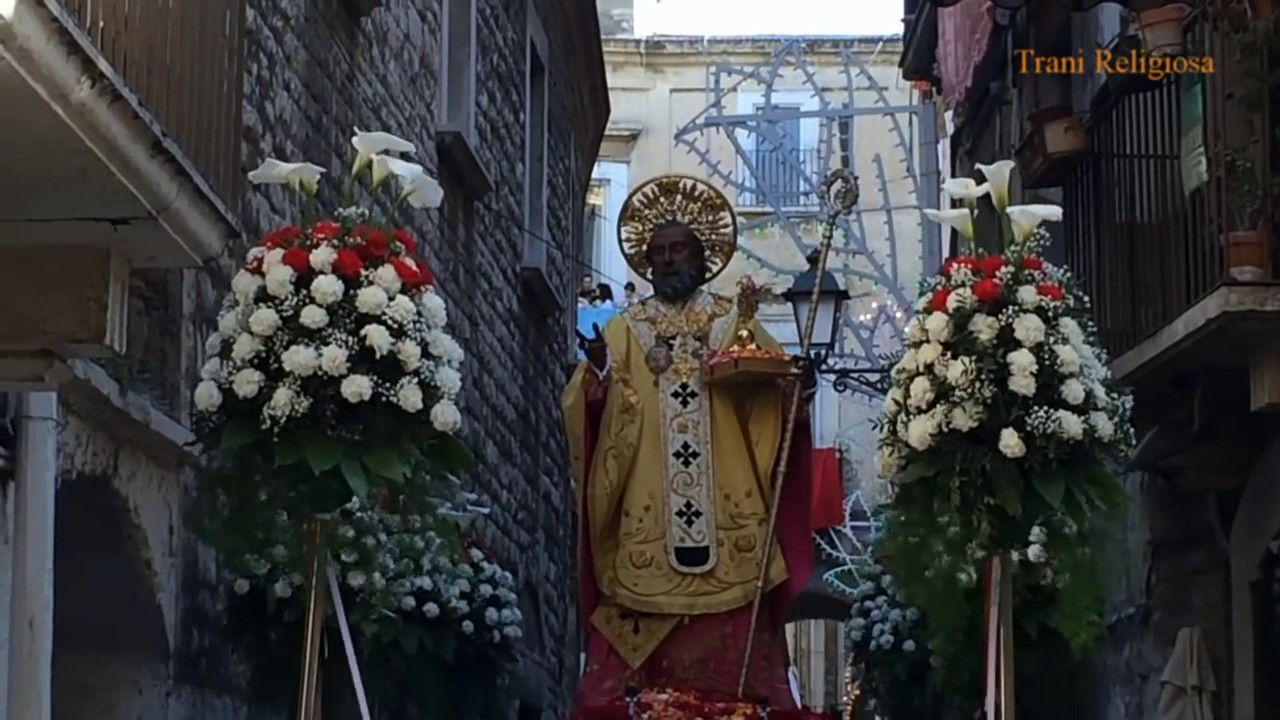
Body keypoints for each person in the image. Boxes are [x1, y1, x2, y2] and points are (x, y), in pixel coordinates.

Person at [562, 175, 817, 712]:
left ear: (702, 255)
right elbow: (588, 404)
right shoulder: (624, 330)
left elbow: (771, 394)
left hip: (730, 522)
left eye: (679, 250)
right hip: (646, 523)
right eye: (658, 253)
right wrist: (599, 381)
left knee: (739, 671)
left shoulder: (732, 322)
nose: (668, 261)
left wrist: (794, 388)